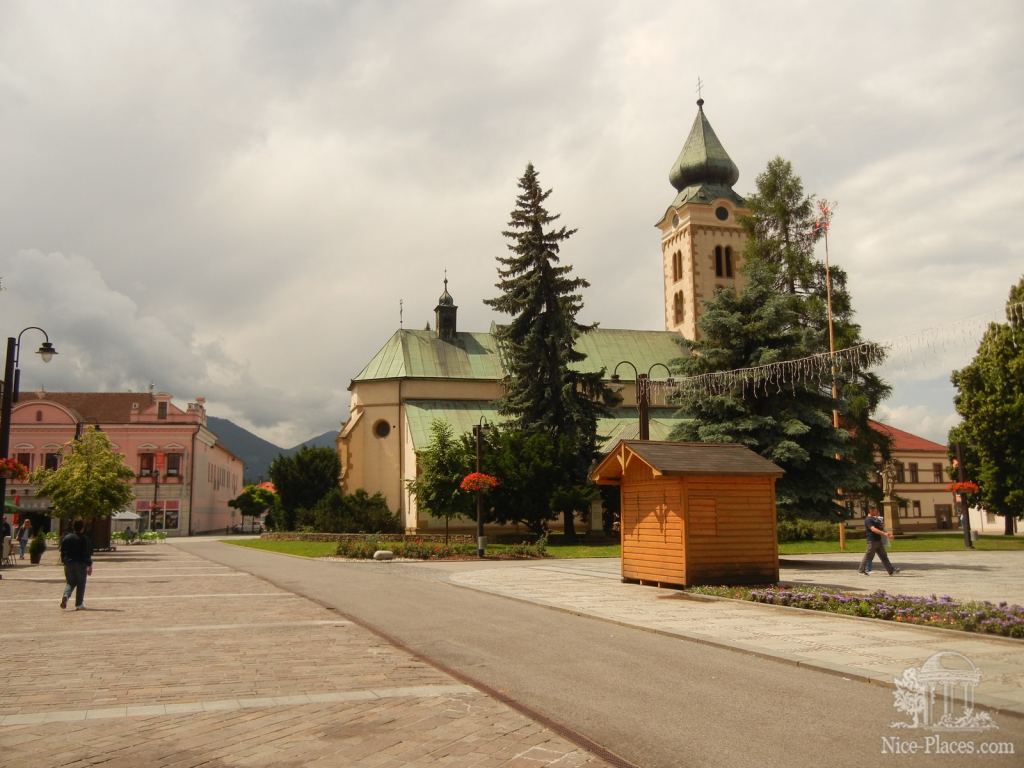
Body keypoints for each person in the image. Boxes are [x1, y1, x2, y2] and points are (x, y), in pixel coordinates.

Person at [59, 519, 93, 610]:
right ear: (82, 528)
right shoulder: (84, 539)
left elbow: (62, 551)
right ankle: (79, 603)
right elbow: (87, 553)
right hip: (80, 563)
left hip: (68, 563)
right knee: (81, 583)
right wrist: (89, 565)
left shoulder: (67, 538)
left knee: (70, 582)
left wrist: (64, 561)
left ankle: (66, 596)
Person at [858, 507, 900, 576]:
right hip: (872, 541)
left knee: (884, 556)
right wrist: (884, 534)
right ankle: (861, 570)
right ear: (870, 511)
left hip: (878, 541)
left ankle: (891, 571)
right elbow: (873, 529)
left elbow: (880, 528)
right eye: (875, 510)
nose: (876, 512)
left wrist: (887, 533)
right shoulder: (868, 520)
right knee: (868, 556)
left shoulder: (875, 519)